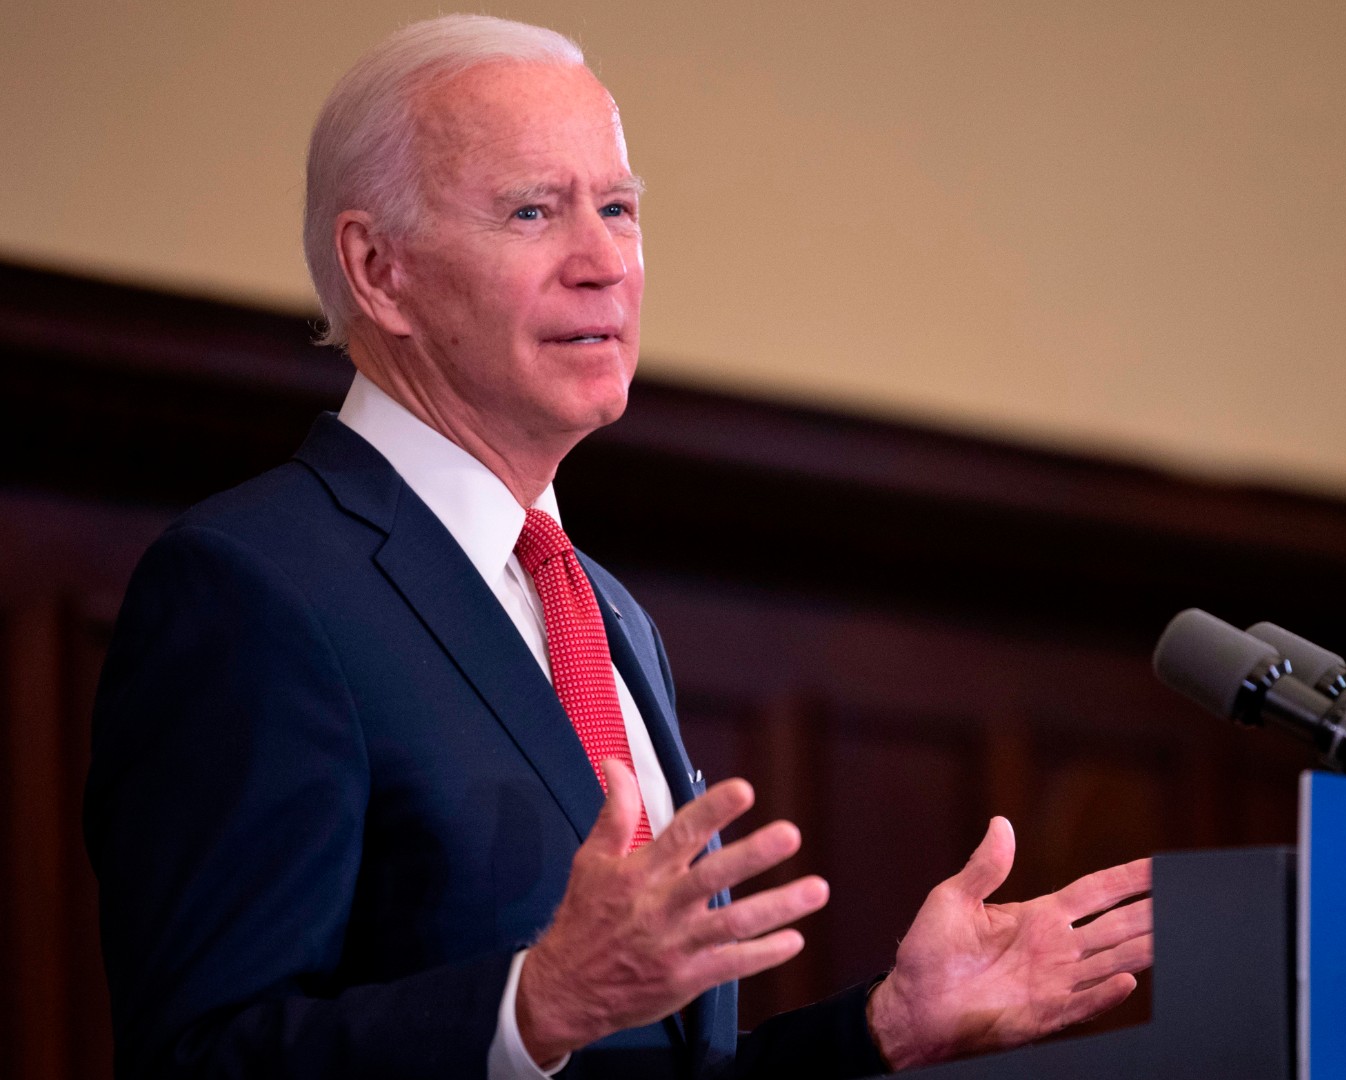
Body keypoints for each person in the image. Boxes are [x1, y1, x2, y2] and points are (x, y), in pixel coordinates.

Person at [82, 14, 1152, 1080]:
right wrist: (529, 1010)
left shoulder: (602, 611)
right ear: (379, 270)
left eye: (620, 208)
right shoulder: (254, 588)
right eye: (533, 210)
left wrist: (885, 1030)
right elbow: (197, 1058)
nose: (602, 261)